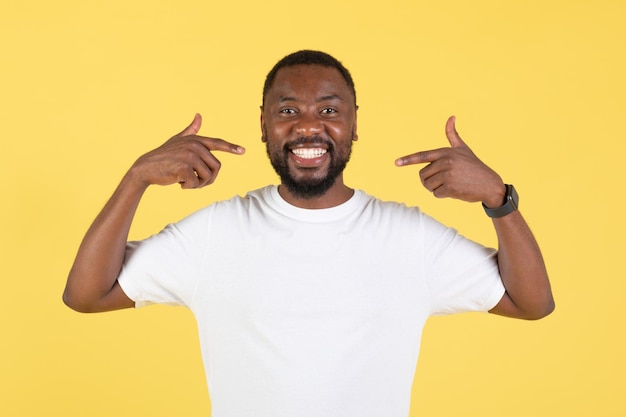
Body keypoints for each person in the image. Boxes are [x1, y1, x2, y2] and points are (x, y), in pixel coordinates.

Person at [63, 50, 554, 417]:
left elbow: (532, 303)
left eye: (329, 110)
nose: (308, 128)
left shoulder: (408, 237)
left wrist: (498, 197)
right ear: (263, 126)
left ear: (354, 125)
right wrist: (137, 178)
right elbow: (87, 294)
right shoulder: (217, 231)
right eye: (288, 111)